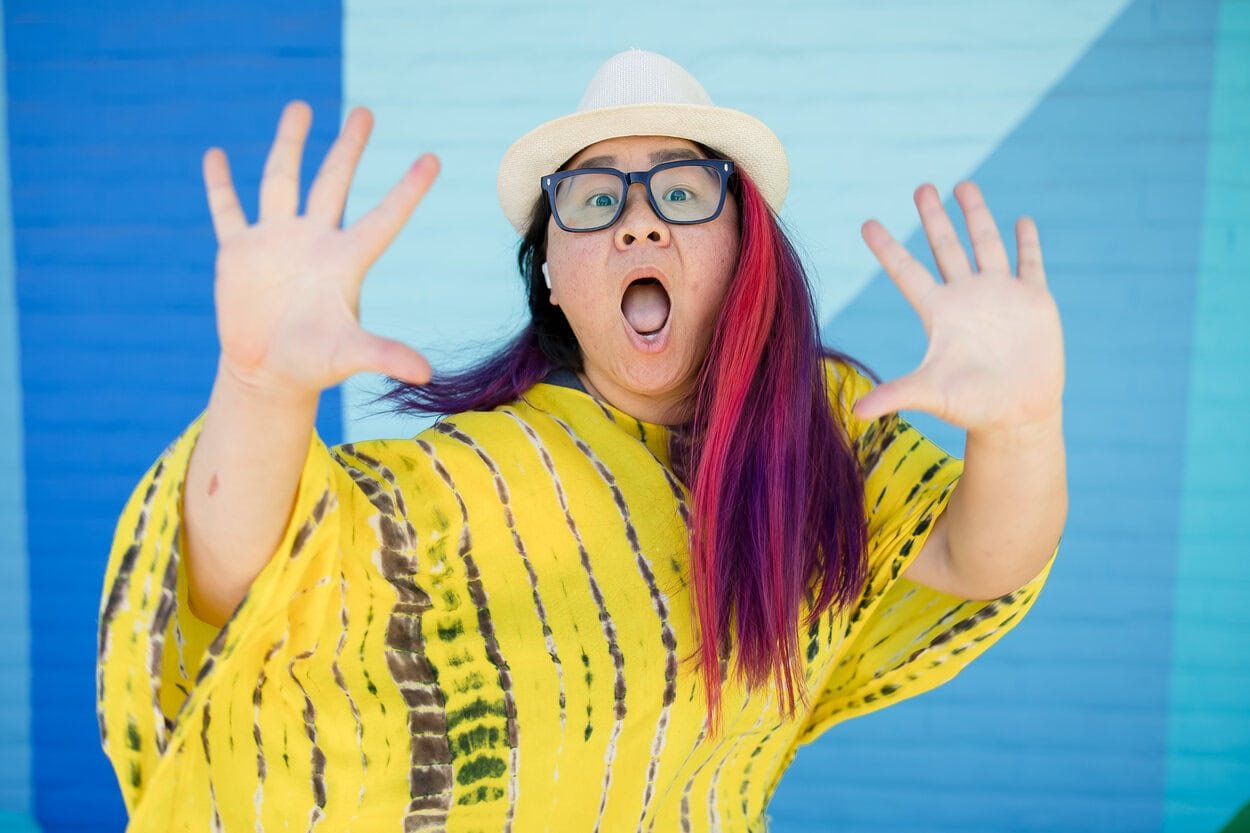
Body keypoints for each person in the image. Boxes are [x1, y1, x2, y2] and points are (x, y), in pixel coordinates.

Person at [96, 48, 1066, 832]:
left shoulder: (822, 427)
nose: (638, 225)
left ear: (741, 248)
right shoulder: (471, 480)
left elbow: (975, 559)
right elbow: (239, 584)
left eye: (681, 192)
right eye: (595, 200)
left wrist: (1021, 428)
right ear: (551, 275)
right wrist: (259, 389)